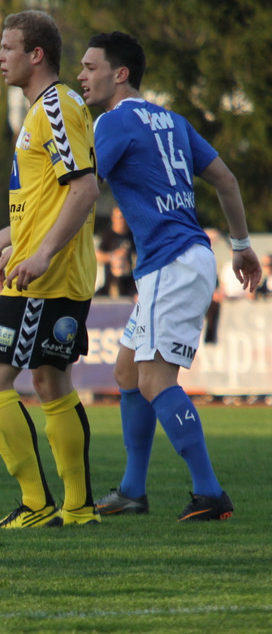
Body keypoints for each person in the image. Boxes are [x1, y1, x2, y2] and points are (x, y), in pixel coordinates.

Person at [78, 31, 262, 521]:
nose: (81, 76)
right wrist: (242, 246)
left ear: (120, 74)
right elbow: (226, 179)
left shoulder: (112, 122)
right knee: (126, 372)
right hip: (185, 258)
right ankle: (133, 489)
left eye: (90, 67)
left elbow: (83, 191)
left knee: (157, 379)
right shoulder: (173, 121)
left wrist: (28, 239)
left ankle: (210, 492)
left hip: (169, 263)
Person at [0, 10, 101, 529]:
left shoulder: (54, 107)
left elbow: (85, 188)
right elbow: (53, 191)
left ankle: (36, 504)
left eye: (7, 48)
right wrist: (14, 236)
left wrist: (42, 252)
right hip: (48, 274)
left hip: (43, 281)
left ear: (36, 55)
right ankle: (77, 508)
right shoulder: (48, 109)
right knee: (50, 382)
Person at [94, 206, 136, 298]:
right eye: (118, 217)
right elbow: (97, 256)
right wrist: (114, 256)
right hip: (110, 286)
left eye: (123, 217)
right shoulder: (107, 236)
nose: (121, 220)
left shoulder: (133, 236)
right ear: (113, 218)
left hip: (130, 288)